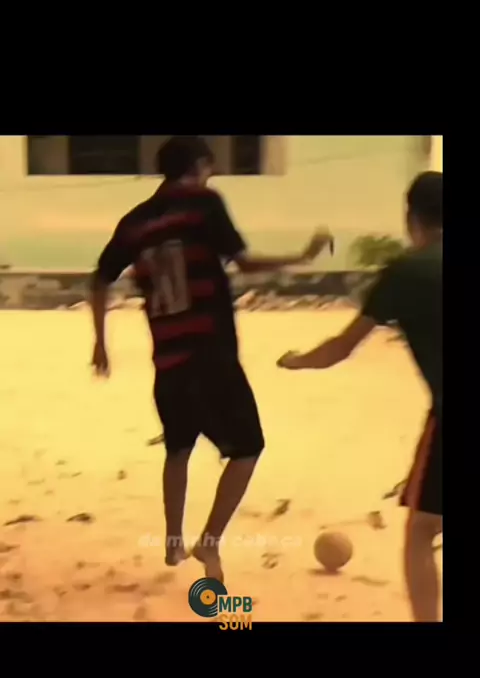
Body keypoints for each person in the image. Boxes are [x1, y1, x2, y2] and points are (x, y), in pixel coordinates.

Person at [91, 136, 333, 582]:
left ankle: (172, 542)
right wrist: (302, 255)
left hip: (167, 357)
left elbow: (99, 278)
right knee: (247, 448)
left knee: (178, 448)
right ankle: (209, 540)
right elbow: (244, 262)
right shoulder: (203, 204)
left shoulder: (135, 221)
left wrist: (100, 344)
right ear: (200, 165)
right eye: (210, 166)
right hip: (209, 352)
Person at [278, 171, 443, 622]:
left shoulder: (406, 272)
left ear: (412, 217)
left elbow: (341, 347)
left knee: (422, 530)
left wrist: (297, 360)